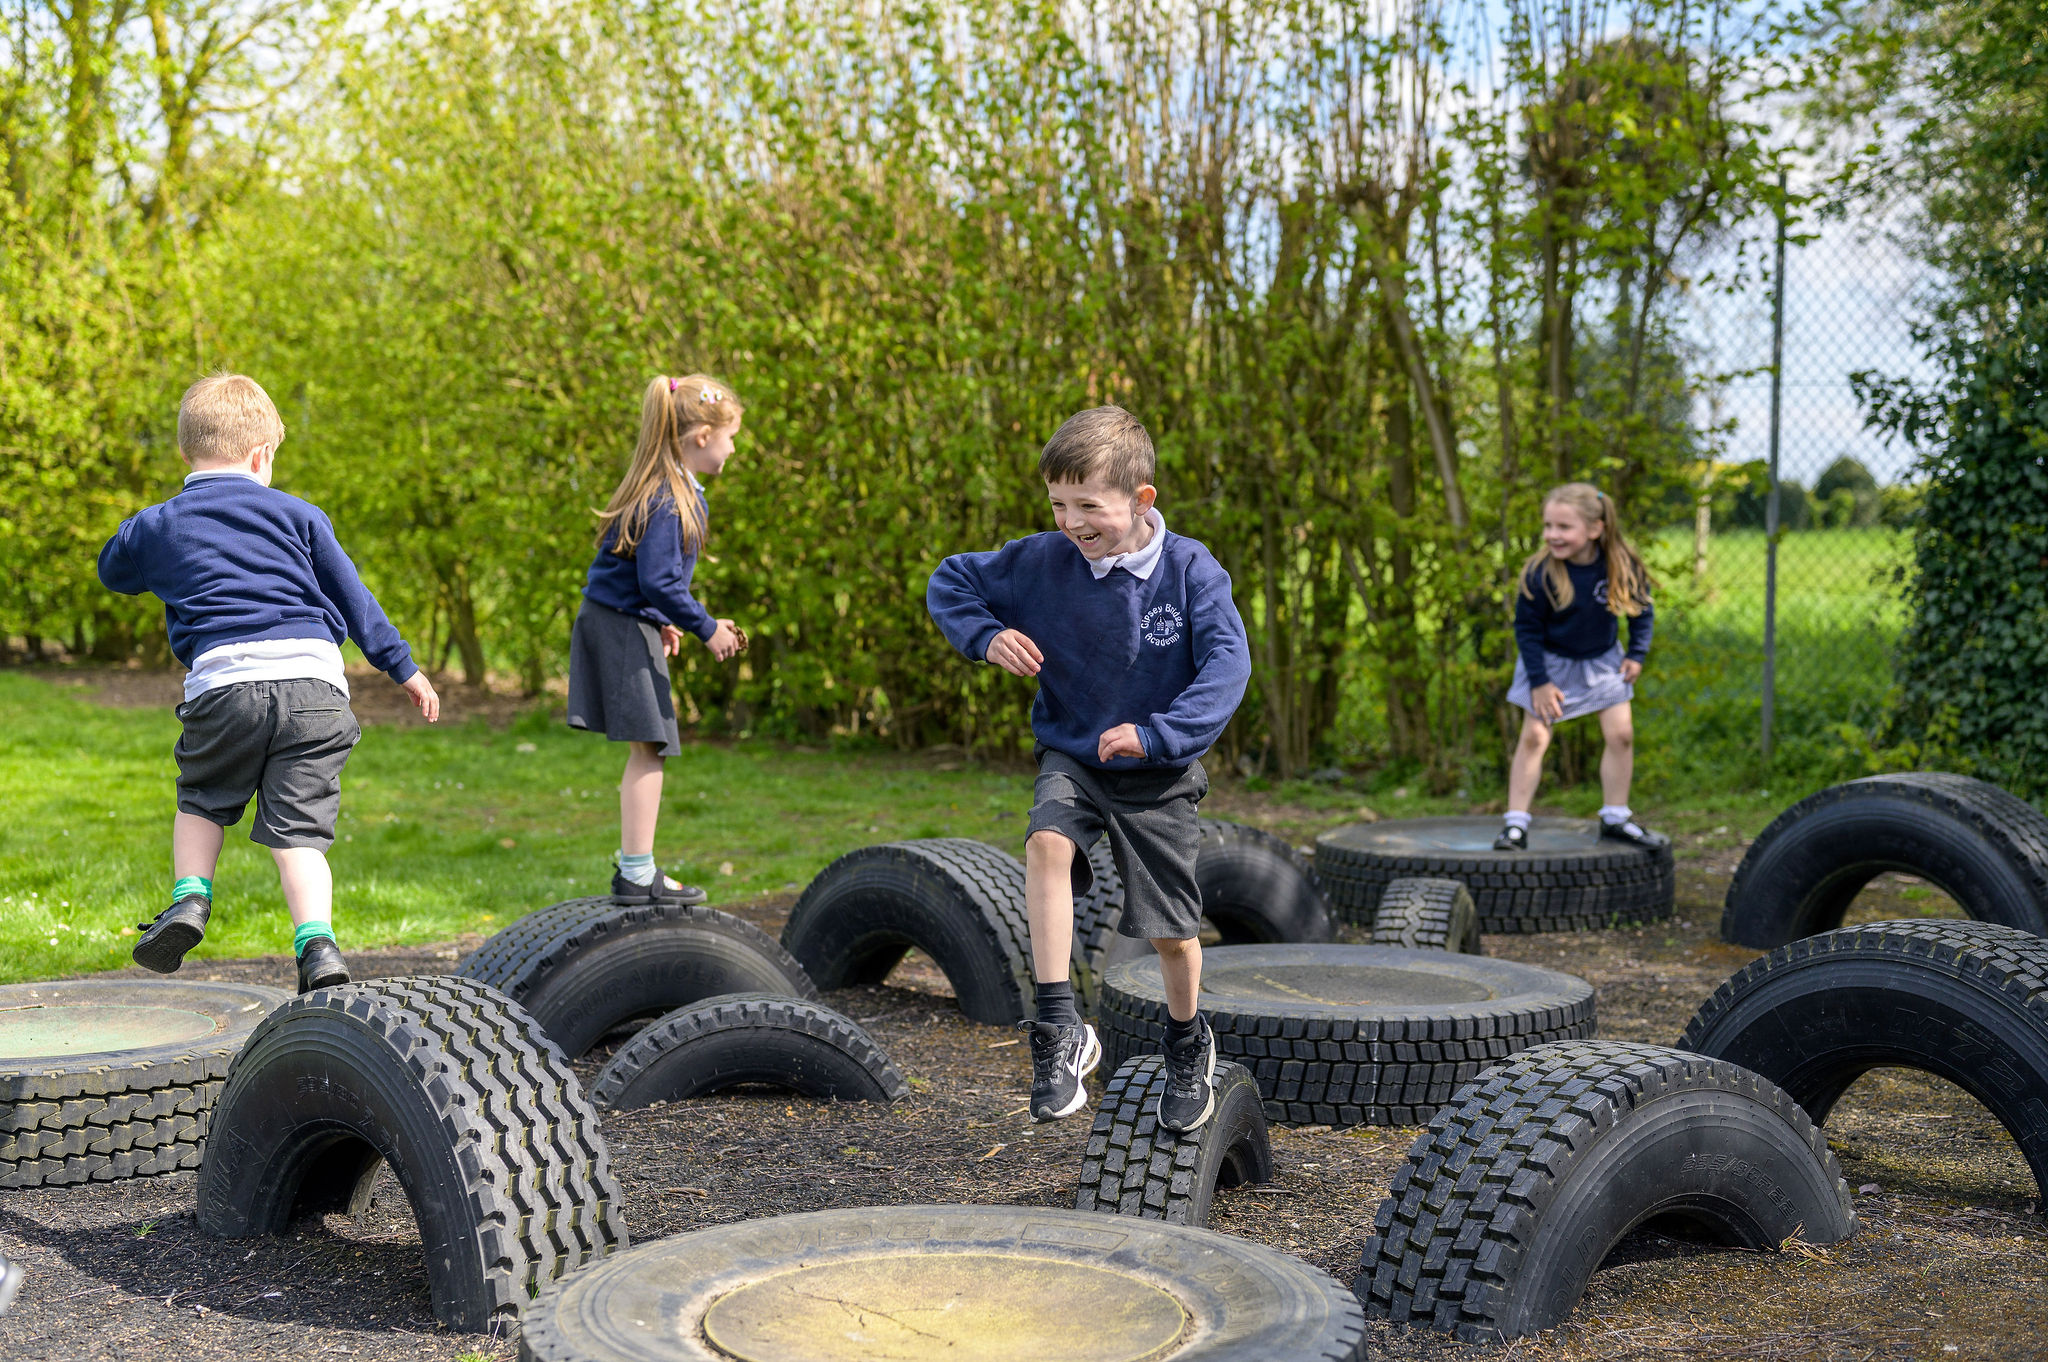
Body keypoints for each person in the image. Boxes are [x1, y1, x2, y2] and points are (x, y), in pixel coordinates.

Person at [927, 406, 1251, 1132]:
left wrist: (1158, 734)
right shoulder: (1041, 560)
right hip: (1072, 750)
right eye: (1058, 505)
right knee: (1046, 844)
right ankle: (1058, 1030)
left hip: (1156, 770)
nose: (1072, 523)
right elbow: (951, 582)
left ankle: (1185, 1039)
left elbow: (1228, 668)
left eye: (1089, 507)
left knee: (1170, 933)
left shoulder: (1190, 570)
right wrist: (986, 636)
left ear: (1142, 501)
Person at [98, 372, 440, 993]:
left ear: (184, 453)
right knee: (301, 833)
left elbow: (113, 570)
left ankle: (189, 901)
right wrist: (404, 668)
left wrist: (142, 528)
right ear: (261, 454)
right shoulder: (300, 515)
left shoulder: (161, 524)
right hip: (316, 690)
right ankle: (318, 946)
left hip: (225, 687)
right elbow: (354, 599)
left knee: (202, 797)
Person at [568, 374, 745, 905]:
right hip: (618, 623)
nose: (733, 448)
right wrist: (706, 627)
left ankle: (637, 867)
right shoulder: (670, 498)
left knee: (652, 746)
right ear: (701, 437)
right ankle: (637, 871)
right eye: (730, 437)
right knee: (652, 748)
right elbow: (660, 580)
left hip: (622, 617)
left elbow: (642, 576)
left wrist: (659, 616)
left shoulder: (671, 490)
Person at [1497, 482, 1662, 852]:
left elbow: (1642, 611)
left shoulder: (1621, 564)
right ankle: (1515, 824)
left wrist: (1636, 653)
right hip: (1547, 664)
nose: (1552, 535)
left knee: (1621, 736)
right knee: (1535, 737)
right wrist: (1539, 682)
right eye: (1548, 526)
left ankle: (1616, 818)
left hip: (1602, 662)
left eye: (1563, 527)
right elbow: (1526, 630)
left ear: (1594, 528)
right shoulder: (1539, 573)